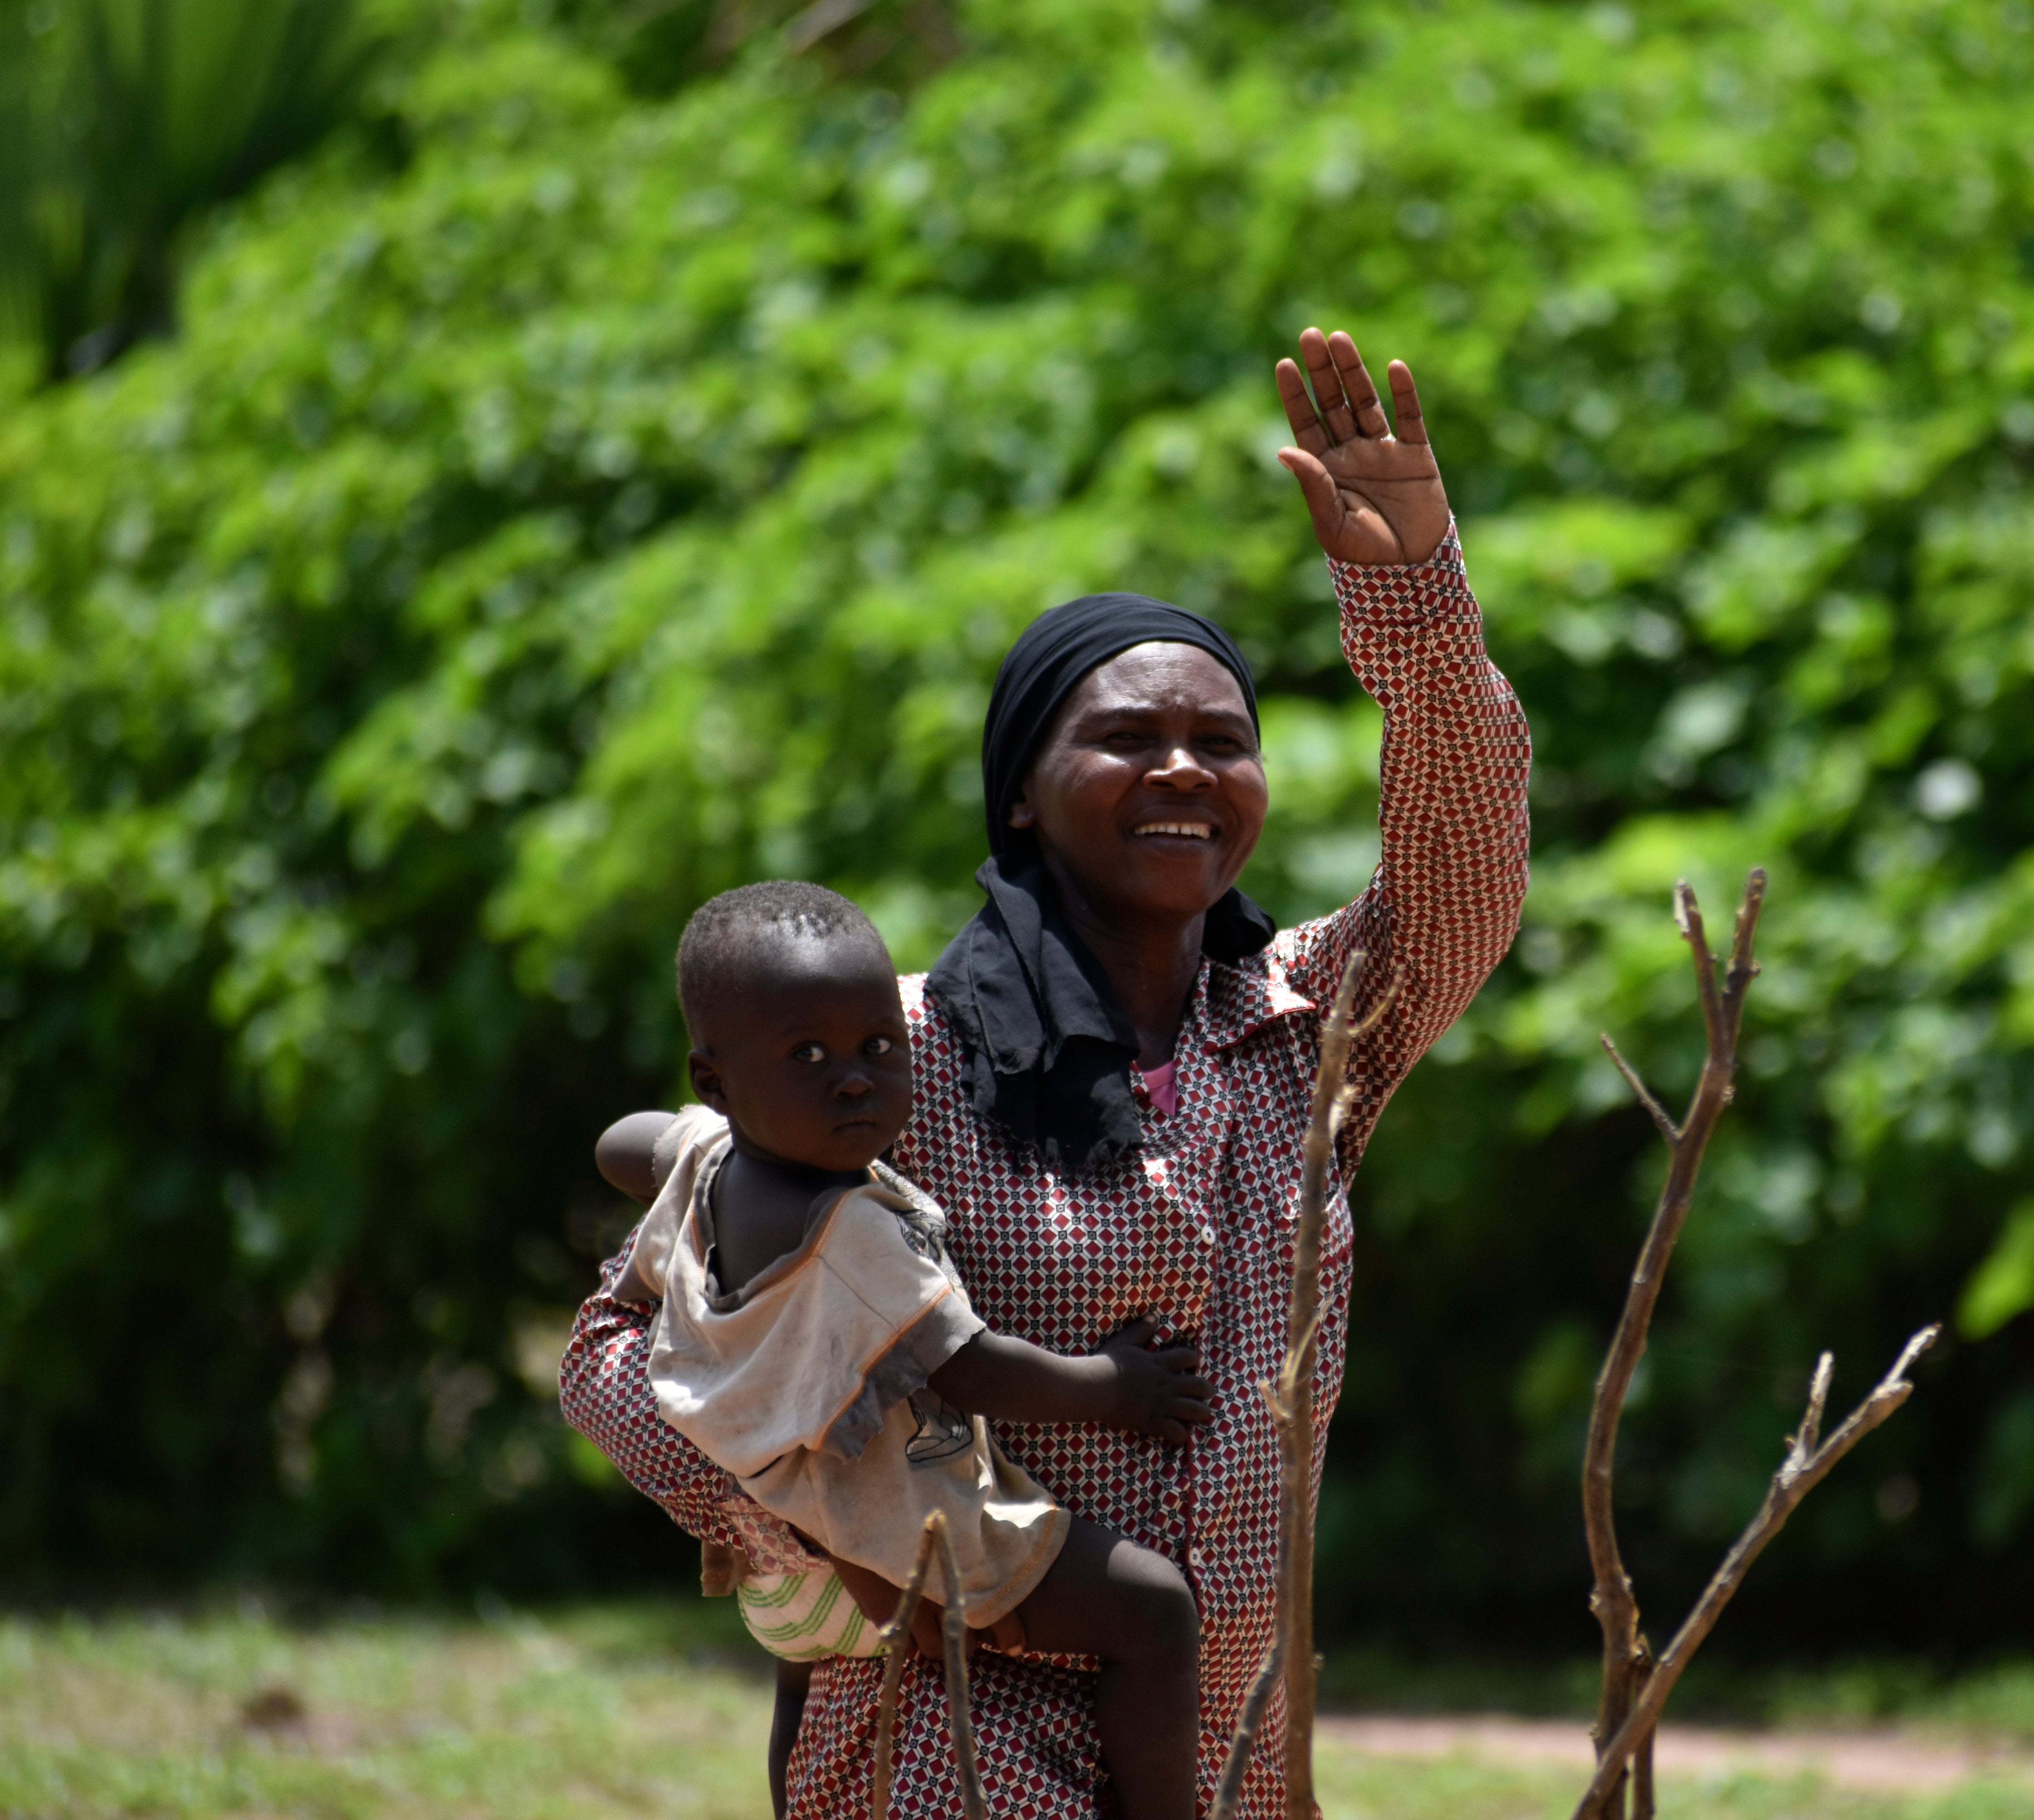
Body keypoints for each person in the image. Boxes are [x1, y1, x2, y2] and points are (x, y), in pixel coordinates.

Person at [560, 327, 1532, 1820]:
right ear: (1022, 793)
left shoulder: (1305, 1031)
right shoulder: (891, 1060)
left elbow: (1467, 865)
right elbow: (616, 1349)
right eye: (1126, 738)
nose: (1184, 769)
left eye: (1222, 742)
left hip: (1224, 1750)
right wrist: (807, 1532)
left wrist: (1413, 592)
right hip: (949, 1734)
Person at [595, 879, 1211, 1820]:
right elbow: (975, 1368)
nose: (854, 1078)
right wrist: (1117, 1385)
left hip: (783, 1578)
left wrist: (705, 1130)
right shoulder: (852, 1238)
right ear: (715, 1078)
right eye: (808, 1055)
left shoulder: (710, 1161)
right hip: (901, 1540)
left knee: (805, 1716)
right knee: (1156, 1608)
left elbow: (620, 1142)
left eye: (880, 1046)